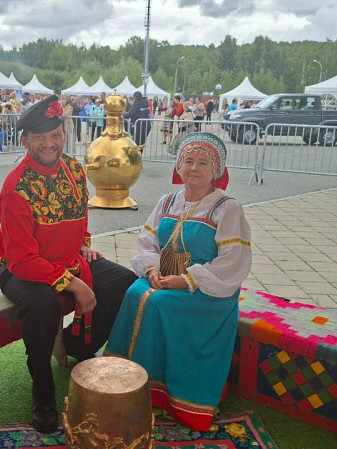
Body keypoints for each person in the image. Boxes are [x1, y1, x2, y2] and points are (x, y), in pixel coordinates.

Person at [0, 95, 136, 433]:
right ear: (25, 140)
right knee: (42, 305)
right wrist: (75, 284)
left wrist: (84, 246)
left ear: (64, 133)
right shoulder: (16, 187)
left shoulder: (73, 167)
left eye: (55, 134)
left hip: (68, 260)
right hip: (17, 267)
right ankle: (43, 394)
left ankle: (79, 346)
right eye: (39, 137)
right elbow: (24, 260)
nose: (48, 143)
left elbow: (80, 215)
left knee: (123, 281)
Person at [104, 132, 250, 432]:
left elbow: (232, 261)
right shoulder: (167, 200)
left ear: (217, 171)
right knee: (134, 291)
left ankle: (167, 394)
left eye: (203, 162)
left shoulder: (227, 207)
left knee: (156, 302)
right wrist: (151, 271)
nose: (194, 168)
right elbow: (148, 242)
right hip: (164, 277)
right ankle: (124, 378)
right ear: (178, 166)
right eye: (188, 160)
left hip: (207, 290)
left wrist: (187, 281)